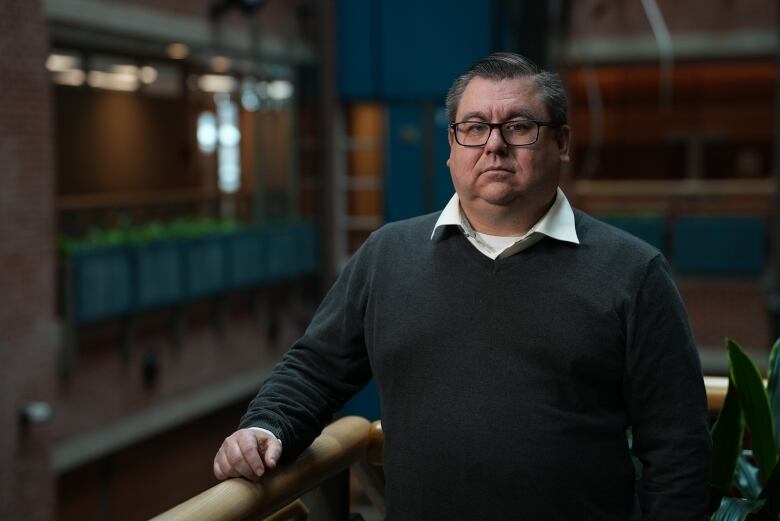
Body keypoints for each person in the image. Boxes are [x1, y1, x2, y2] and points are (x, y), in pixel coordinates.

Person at [213, 52, 711, 520]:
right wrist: (265, 427)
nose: (494, 144)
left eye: (518, 126)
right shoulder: (387, 255)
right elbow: (315, 369)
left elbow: (677, 450)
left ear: (561, 143)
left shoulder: (633, 272)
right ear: (452, 148)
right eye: (474, 128)